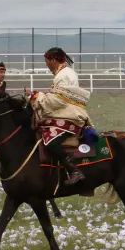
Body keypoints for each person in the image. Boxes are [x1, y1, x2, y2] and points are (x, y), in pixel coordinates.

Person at [28, 48, 92, 185]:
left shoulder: (63, 76)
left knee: (51, 142)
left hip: (70, 117)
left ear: (53, 60)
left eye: (47, 62)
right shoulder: (66, 73)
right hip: (67, 113)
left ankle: (74, 170)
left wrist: (35, 96)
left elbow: (58, 100)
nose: (46, 65)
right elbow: (61, 96)